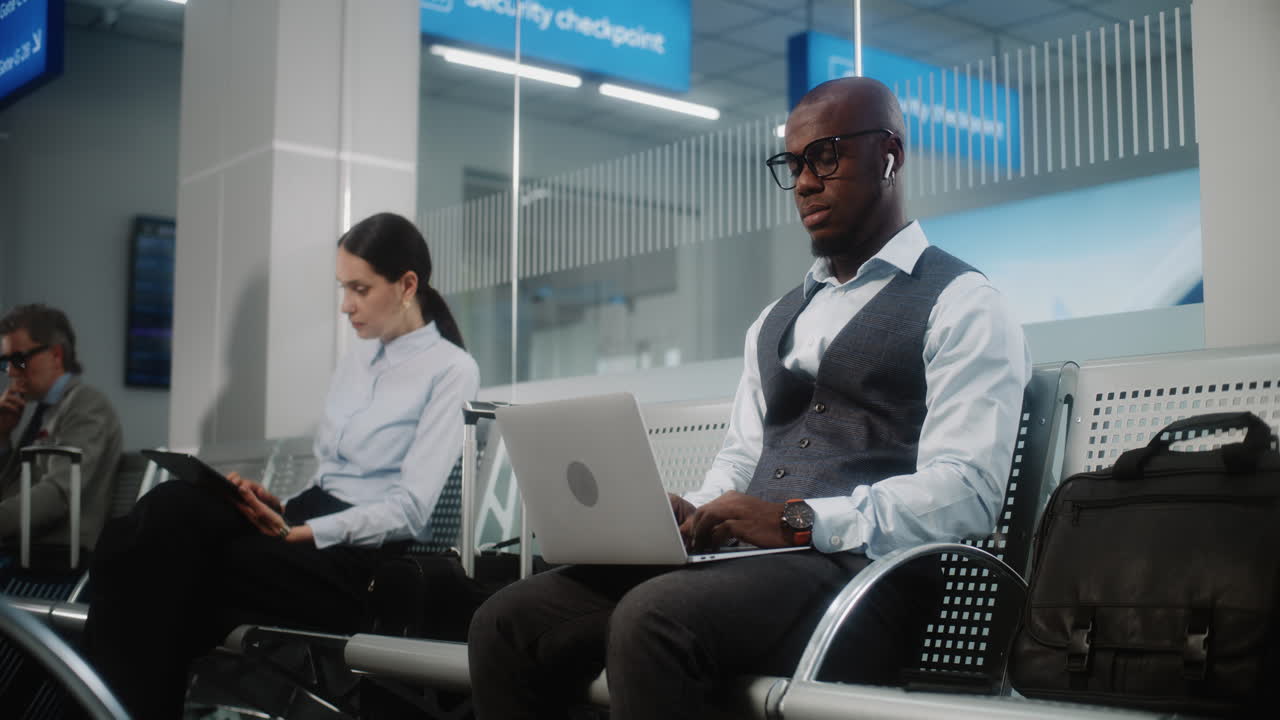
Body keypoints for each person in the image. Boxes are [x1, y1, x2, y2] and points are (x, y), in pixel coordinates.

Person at [467, 77, 1033, 719]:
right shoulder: (773, 320)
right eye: (793, 165)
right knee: (506, 620)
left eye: (826, 155)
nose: (805, 183)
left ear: (889, 156)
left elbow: (968, 490)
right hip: (743, 575)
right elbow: (741, 461)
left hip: (861, 587)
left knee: (652, 620)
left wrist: (801, 519)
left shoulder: (963, 304)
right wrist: (693, 514)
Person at [82, 212, 481, 719]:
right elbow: (331, 474)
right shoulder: (356, 360)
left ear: (406, 285)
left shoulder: (452, 370)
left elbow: (408, 509)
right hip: (303, 526)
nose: (346, 305)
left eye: (359, 288)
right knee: (166, 511)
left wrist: (302, 531)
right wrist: (277, 506)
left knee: (150, 558)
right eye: (343, 288)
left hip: (355, 563)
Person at [0, 304, 123, 556]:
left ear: (56, 355)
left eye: (18, 359)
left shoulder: (86, 404)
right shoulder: (43, 411)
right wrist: (2, 436)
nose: (11, 371)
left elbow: (58, 495)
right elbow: (9, 489)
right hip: (22, 552)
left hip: (55, 559)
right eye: (6, 361)